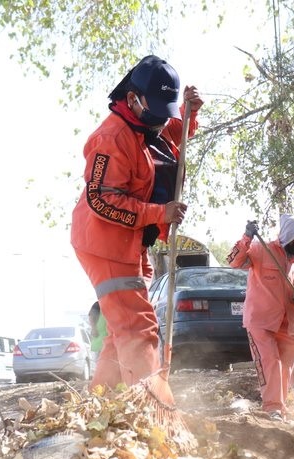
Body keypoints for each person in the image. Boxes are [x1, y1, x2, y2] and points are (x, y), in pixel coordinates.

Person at [70, 55, 204, 396]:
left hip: (132, 243)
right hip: (105, 242)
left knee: (121, 331)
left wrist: (189, 112)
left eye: (166, 111)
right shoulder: (111, 138)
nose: (162, 122)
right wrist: (159, 213)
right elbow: (101, 200)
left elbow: (174, 133)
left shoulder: (149, 122)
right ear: (133, 99)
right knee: (138, 328)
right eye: (158, 112)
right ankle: (151, 415)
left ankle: (104, 405)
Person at [226, 214, 294, 421]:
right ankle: (272, 407)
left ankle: (281, 408)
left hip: (289, 326)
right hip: (261, 322)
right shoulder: (260, 249)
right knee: (271, 362)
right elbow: (233, 261)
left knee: (285, 369)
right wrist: (246, 237)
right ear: (289, 235)